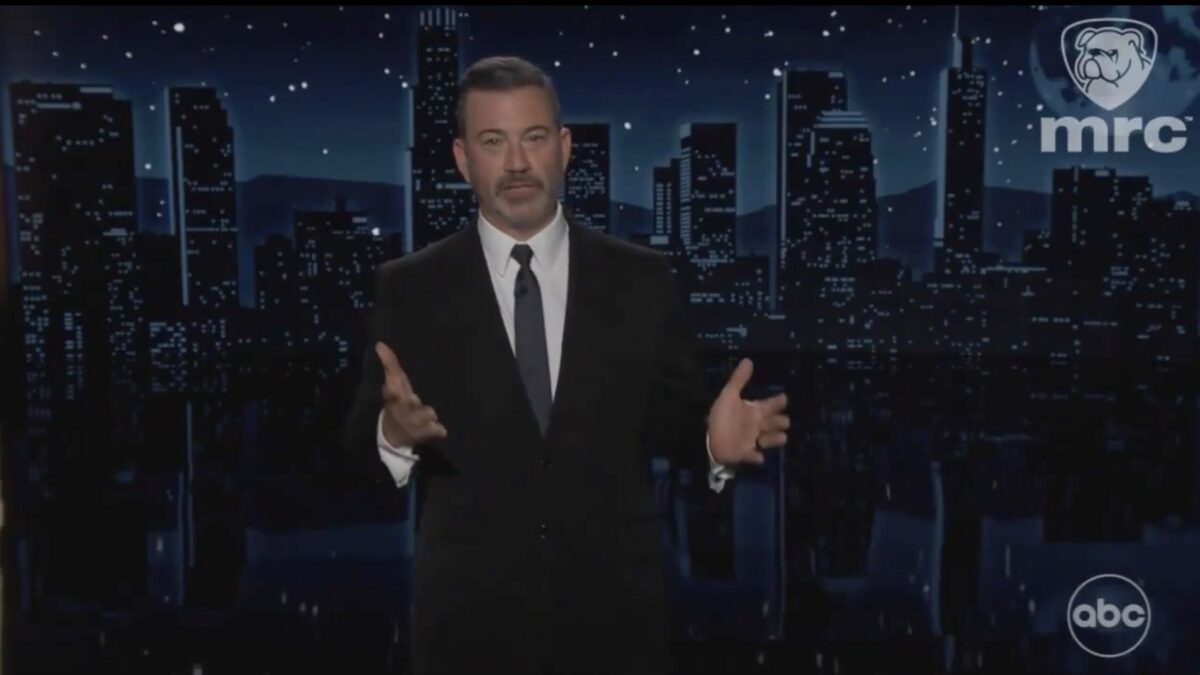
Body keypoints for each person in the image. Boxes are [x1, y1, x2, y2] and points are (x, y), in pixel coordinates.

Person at [343, 55, 790, 675]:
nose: (516, 162)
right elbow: (356, 457)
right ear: (463, 160)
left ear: (564, 148)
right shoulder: (411, 288)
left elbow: (676, 423)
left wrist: (714, 443)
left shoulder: (640, 279)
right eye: (493, 142)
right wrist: (393, 435)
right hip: (468, 631)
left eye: (533, 137)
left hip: (617, 627)